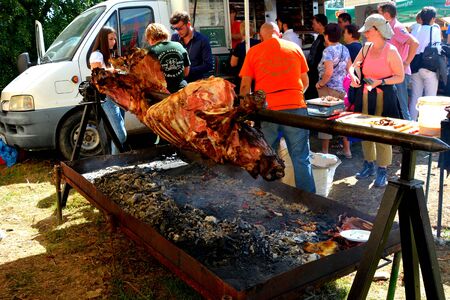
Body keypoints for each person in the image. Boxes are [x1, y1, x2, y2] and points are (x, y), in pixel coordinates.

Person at [239, 22, 315, 193]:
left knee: (268, 156)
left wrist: (246, 110)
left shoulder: (254, 51)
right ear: (279, 33)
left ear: (260, 36)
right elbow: (305, 82)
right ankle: (310, 200)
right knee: (301, 158)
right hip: (296, 108)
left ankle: (270, 194)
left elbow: (245, 87)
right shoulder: (295, 48)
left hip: (268, 111)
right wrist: (293, 97)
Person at [349, 14, 404, 187]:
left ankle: (382, 169)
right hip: (365, 95)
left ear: (378, 30)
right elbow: (354, 66)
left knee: (382, 133)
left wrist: (382, 81)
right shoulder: (365, 47)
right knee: (365, 131)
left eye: (368, 30)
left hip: (385, 96)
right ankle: (369, 164)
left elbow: (400, 77)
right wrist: (353, 76)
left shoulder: (391, 51)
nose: (365, 33)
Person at [378, 2, 419, 121]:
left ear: (386, 14)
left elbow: (415, 43)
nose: (379, 16)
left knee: (401, 106)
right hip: (393, 73)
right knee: (395, 106)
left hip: (399, 74)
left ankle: (410, 135)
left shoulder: (397, 27)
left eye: (380, 13)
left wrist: (406, 62)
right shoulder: (390, 27)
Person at [89, 26, 127, 155]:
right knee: (120, 135)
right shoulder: (96, 55)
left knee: (117, 135)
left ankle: (116, 163)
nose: (114, 42)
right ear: (103, 39)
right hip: (107, 98)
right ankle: (116, 161)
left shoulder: (110, 55)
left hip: (118, 96)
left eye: (115, 39)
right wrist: (114, 71)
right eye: (111, 39)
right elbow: (97, 76)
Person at [316, 23, 351, 154]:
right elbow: (350, 69)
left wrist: (320, 83)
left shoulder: (328, 51)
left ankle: (325, 152)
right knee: (343, 120)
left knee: (326, 121)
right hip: (342, 89)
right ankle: (347, 151)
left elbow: (328, 72)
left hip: (328, 90)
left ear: (326, 36)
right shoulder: (344, 49)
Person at [409, 7, 441, 121]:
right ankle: (428, 123)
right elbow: (438, 48)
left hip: (415, 66)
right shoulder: (435, 30)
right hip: (429, 66)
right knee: (430, 98)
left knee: (415, 98)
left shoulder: (415, 29)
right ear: (433, 19)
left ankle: (411, 122)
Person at [145, 23, 190, 93]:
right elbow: (186, 72)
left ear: (150, 37)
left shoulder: (149, 52)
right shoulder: (179, 45)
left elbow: (149, 78)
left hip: (163, 94)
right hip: (183, 90)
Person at [170, 11, 214, 82]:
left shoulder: (203, 40)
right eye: (175, 29)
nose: (178, 32)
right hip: (179, 82)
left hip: (196, 82)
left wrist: (189, 71)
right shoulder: (174, 38)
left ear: (188, 24)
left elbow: (208, 65)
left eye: (180, 28)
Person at [229, 22, 260, 92]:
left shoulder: (240, 46)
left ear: (241, 31)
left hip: (243, 77)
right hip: (258, 76)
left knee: (245, 98)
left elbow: (233, 63)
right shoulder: (260, 43)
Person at [305, 14, 327, 100]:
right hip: (313, 73)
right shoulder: (319, 37)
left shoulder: (325, 39)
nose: (312, 25)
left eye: (314, 23)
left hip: (318, 75)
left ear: (320, 24)